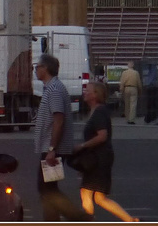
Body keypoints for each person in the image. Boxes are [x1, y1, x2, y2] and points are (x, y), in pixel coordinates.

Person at [72, 79, 134, 221]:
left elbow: (102, 136)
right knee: (99, 197)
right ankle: (131, 221)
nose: (84, 92)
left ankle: (89, 220)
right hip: (100, 157)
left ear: (95, 94)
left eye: (87, 90)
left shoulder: (99, 112)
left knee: (86, 191)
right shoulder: (97, 111)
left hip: (98, 159)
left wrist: (82, 146)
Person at [33, 54, 85, 221]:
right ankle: (53, 220)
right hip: (52, 147)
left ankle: (78, 217)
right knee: (49, 188)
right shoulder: (52, 88)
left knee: (46, 188)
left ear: (46, 68)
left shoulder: (54, 89)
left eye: (38, 66)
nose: (36, 69)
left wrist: (51, 149)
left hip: (53, 148)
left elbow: (58, 120)